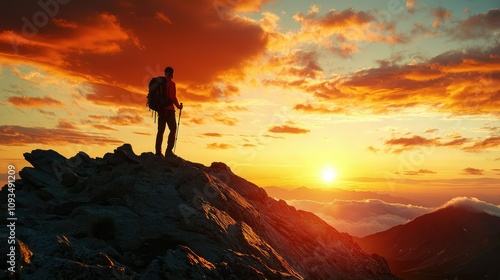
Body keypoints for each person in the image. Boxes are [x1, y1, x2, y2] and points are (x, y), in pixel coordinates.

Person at [155, 66, 183, 157]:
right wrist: (178, 106)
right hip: (169, 110)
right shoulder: (171, 84)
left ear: (165, 73)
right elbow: (172, 97)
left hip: (160, 110)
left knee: (160, 130)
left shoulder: (159, 83)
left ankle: (158, 152)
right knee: (173, 129)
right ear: (172, 74)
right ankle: (169, 151)